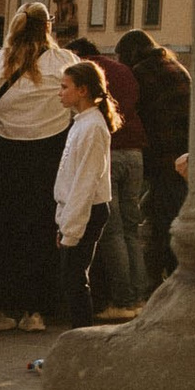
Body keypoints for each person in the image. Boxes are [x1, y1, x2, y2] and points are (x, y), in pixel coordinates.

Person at [0, 3, 74, 330]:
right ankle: (35, 311)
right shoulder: (65, 61)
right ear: (48, 27)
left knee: (0, 231)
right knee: (42, 230)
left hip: (5, 152)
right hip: (50, 150)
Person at [69, 36, 146, 318]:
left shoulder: (85, 72)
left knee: (111, 233)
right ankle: (139, 297)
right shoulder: (124, 70)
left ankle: (122, 301)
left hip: (111, 151)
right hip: (135, 152)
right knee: (131, 229)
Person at [114, 30, 189, 282]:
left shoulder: (142, 73)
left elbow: (133, 115)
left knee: (163, 221)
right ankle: (161, 279)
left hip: (163, 156)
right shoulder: (175, 66)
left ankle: (164, 282)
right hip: (185, 156)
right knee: (169, 215)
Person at [51, 56, 117, 330]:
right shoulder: (84, 123)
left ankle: (82, 337)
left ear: (83, 90)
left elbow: (84, 183)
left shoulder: (91, 127)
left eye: (65, 87)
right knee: (73, 279)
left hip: (86, 211)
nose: (60, 92)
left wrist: (71, 229)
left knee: (75, 279)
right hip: (78, 211)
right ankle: (80, 337)